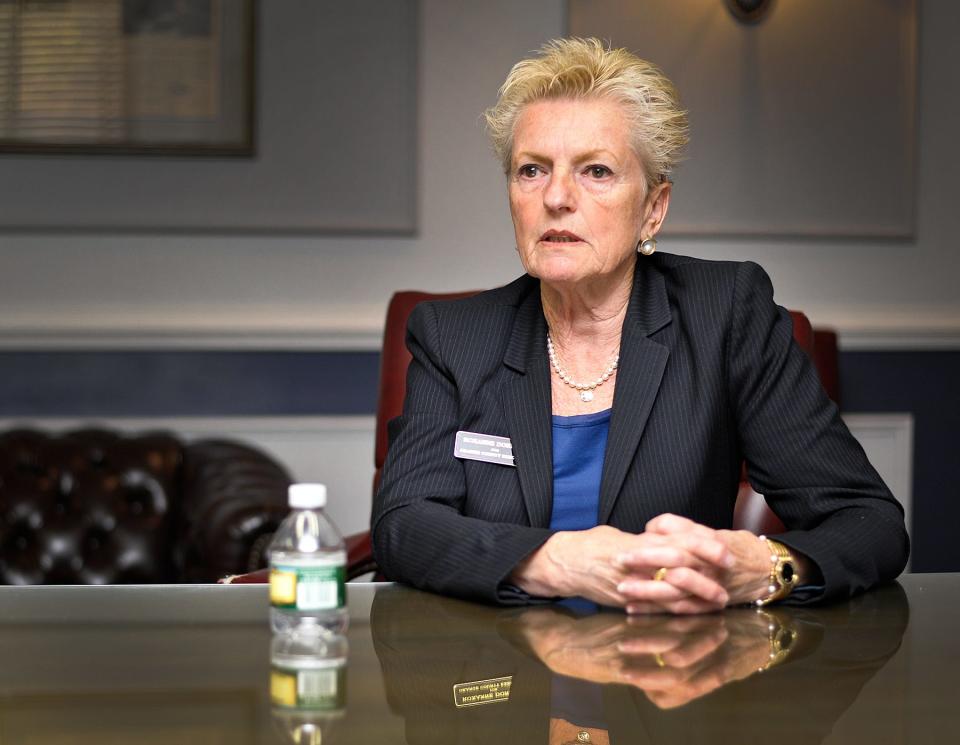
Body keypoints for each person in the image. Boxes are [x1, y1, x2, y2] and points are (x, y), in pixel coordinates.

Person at [371, 37, 908, 612]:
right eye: (531, 170)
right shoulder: (453, 336)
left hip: (671, 674)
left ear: (654, 208)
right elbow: (404, 526)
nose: (555, 197)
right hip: (501, 681)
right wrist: (556, 560)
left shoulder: (725, 312)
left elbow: (868, 522)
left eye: (596, 171)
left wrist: (767, 566)